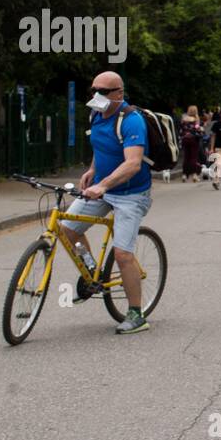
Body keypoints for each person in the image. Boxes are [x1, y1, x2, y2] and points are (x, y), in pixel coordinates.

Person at [61, 71, 154, 334]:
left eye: (103, 91)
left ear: (119, 94)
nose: (96, 96)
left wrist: (103, 185)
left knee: (123, 254)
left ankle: (136, 314)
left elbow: (133, 163)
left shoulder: (131, 121)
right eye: (94, 90)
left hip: (131, 194)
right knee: (68, 229)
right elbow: (101, 146)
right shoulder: (96, 114)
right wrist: (92, 170)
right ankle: (92, 272)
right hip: (101, 187)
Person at [179, 105, 202, 183]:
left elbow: (181, 128)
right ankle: (194, 175)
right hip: (193, 139)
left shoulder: (184, 119)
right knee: (194, 157)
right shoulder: (196, 119)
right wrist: (200, 129)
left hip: (185, 139)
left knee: (186, 157)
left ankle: (184, 175)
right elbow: (197, 128)